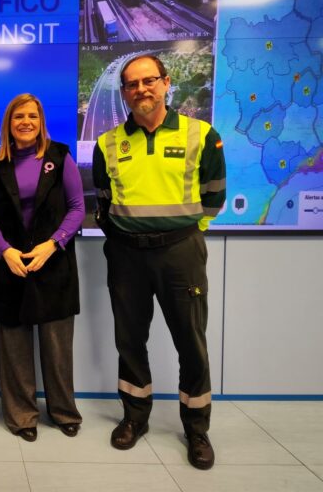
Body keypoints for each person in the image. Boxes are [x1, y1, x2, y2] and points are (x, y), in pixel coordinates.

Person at [92, 55, 226, 470]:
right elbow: (103, 201)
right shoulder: (108, 143)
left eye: (149, 81)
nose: (141, 90)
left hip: (180, 252)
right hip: (126, 254)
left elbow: (215, 196)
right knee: (129, 340)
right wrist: (126, 236)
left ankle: (197, 428)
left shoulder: (201, 134)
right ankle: (135, 418)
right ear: (124, 92)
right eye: (132, 84)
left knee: (191, 340)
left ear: (166, 83)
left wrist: (184, 231)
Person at [0, 93, 84, 442]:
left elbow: (77, 208)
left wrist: (53, 243)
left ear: (41, 122)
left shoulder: (60, 156)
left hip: (53, 263)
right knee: (14, 347)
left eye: (32, 116)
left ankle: (64, 412)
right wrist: (5, 251)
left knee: (57, 349)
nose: (26, 122)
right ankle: (21, 416)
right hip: (10, 266)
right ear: (8, 124)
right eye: (18, 116)